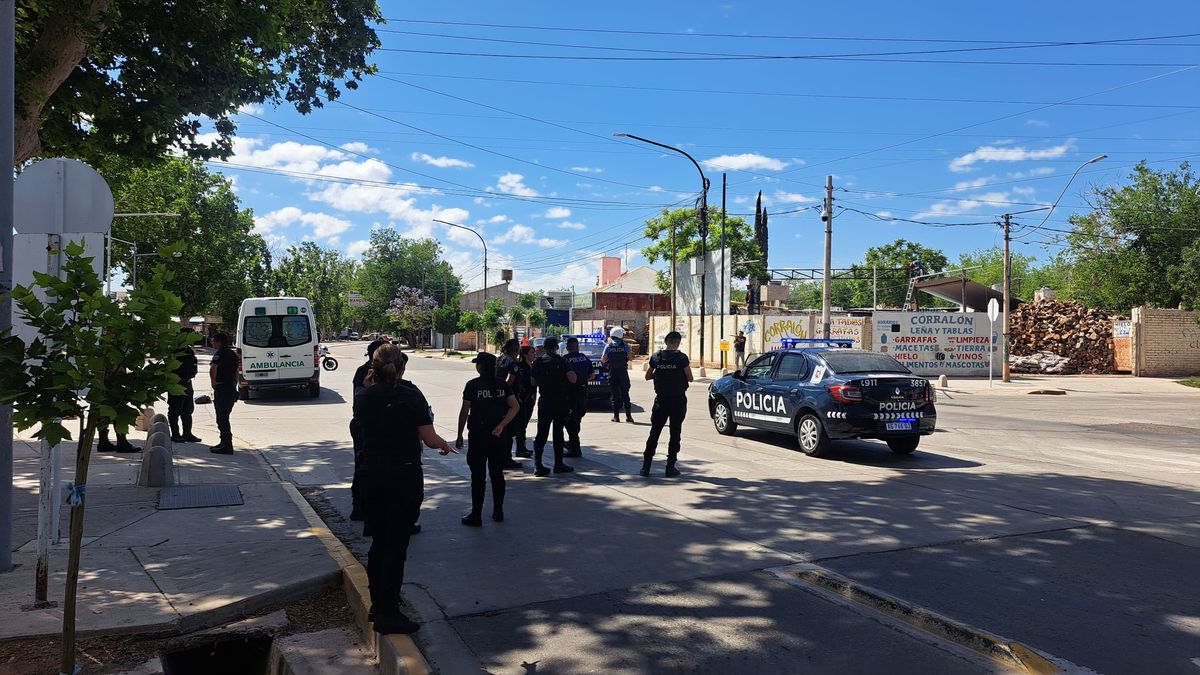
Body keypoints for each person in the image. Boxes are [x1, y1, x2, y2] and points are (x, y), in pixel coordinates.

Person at [355, 343, 455, 635]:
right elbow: (429, 438)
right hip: (403, 475)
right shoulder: (412, 395)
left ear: (372, 368)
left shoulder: (363, 396)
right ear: (401, 368)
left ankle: (378, 605)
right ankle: (389, 612)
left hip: (371, 474)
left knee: (378, 542)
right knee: (396, 546)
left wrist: (368, 386)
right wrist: (444, 446)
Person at [456, 352, 520, 526]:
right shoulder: (502, 384)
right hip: (498, 435)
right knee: (497, 474)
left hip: (478, 435)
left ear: (480, 367)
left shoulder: (472, 385)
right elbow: (515, 407)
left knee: (478, 476)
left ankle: (476, 514)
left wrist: (459, 434)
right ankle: (498, 511)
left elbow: (464, 411)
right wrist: (502, 425)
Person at [641, 331, 693, 478]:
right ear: (677, 342)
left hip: (661, 401)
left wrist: (660, 373)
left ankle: (646, 467)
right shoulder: (681, 358)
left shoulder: (656, 357)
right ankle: (670, 467)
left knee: (654, 432)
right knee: (675, 432)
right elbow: (690, 378)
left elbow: (647, 376)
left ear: (666, 342)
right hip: (677, 400)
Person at [349, 339, 387, 521]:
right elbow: (359, 396)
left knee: (363, 465)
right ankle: (361, 507)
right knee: (367, 466)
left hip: (362, 422)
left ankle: (362, 508)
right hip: (367, 424)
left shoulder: (363, 371)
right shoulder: (368, 372)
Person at [530, 337, 573, 477]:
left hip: (545, 402)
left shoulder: (538, 362)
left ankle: (538, 465)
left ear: (544, 347)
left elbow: (533, 382)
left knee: (541, 434)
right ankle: (558, 464)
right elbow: (573, 379)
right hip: (560, 402)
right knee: (558, 433)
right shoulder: (562, 361)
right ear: (556, 347)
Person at [562, 336, 595, 458]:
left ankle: (575, 448)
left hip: (570, 394)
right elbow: (592, 375)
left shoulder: (565, 360)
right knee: (578, 418)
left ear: (567, 348)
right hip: (583, 393)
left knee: (570, 420)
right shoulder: (585, 358)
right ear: (578, 347)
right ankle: (572, 443)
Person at [494, 339, 524, 469]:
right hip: (509, 400)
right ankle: (506, 459)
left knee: (503, 429)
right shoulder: (512, 362)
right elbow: (510, 380)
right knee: (509, 430)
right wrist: (506, 393)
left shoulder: (499, 359)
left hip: (498, 398)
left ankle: (500, 457)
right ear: (517, 350)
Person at [169, 327, 202, 443]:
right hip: (177, 383)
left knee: (188, 409)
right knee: (175, 409)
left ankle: (187, 433)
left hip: (188, 382)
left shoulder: (188, 349)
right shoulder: (176, 349)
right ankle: (175, 434)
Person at [209, 333, 238, 455]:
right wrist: (235, 384)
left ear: (219, 342)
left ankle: (226, 445)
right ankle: (224, 442)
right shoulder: (233, 354)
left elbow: (213, 369)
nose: (212, 343)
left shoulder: (220, 354)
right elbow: (236, 371)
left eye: (214, 341)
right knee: (225, 416)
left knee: (222, 418)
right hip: (231, 388)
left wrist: (213, 382)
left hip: (222, 388)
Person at [601, 326, 634, 423]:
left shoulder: (608, 346)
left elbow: (603, 359)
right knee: (625, 395)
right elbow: (631, 358)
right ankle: (629, 417)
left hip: (613, 373)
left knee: (615, 396)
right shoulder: (625, 346)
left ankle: (616, 417)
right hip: (623, 373)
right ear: (620, 335)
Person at [510, 345, 537, 458]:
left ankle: (523, 447)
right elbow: (520, 383)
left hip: (530, 398)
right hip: (523, 399)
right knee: (521, 425)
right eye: (531, 353)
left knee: (524, 424)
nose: (534, 355)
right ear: (525, 355)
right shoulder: (521, 366)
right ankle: (520, 449)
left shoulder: (531, 366)